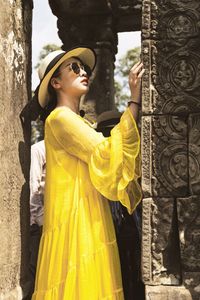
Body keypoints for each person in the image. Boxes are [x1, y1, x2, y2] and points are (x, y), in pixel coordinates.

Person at [31, 46, 144, 300]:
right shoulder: (59, 118)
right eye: (73, 67)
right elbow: (105, 151)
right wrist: (134, 100)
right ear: (56, 83)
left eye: (82, 68)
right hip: (76, 222)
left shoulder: (78, 122)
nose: (82, 71)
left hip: (87, 215)